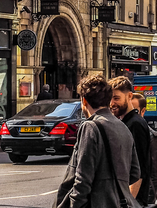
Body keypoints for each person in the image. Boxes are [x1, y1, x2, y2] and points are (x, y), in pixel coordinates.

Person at [53, 74, 142, 208]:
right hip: (121, 202)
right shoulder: (123, 127)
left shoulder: (90, 127)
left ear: (84, 101)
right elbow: (135, 173)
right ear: (108, 100)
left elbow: (82, 179)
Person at [110, 77, 152, 207]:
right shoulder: (126, 122)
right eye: (110, 99)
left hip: (133, 199)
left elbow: (139, 168)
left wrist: (129, 202)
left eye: (116, 98)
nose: (112, 103)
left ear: (129, 96)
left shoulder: (135, 124)